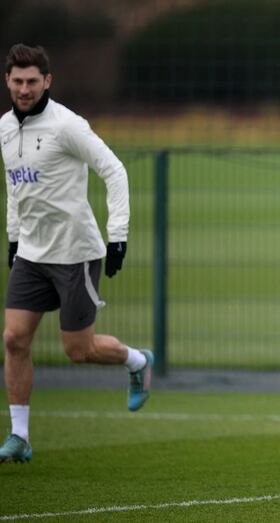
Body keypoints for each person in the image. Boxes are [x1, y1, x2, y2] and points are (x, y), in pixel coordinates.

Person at [0, 44, 153, 464]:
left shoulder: (67, 125)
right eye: (18, 81)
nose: (25, 88)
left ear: (47, 81)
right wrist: (14, 239)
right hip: (31, 253)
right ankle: (20, 436)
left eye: (33, 81)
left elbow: (114, 169)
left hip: (75, 253)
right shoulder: (4, 129)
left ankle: (138, 361)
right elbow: (16, 188)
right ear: (7, 82)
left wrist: (117, 234)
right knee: (13, 339)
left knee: (77, 349)